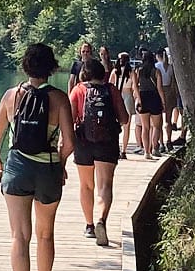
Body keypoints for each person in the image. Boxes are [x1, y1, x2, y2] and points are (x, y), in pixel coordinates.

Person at [0, 43, 75, 271]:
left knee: (19, 236)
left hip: (17, 169)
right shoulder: (59, 99)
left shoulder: (11, 95)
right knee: (45, 234)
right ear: (51, 68)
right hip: (47, 169)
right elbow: (69, 143)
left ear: (25, 66)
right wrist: (60, 164)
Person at [70, 56, 128, 247]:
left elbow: (69, 119)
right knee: (105, 186)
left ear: (84, 73)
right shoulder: (111, 90)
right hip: (107, 142)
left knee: (86, 185)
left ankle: (89, 226)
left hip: (83, 142)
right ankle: (101, 220)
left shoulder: (78, 90)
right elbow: (124, 119)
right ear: (102, 73)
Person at [132, 54, 165, 158]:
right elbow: (160, 89)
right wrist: (163, 102)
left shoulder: (138, 71)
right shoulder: (156, 71)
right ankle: (155, 148)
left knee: (145, 127)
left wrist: (139, 99)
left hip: (143, 97)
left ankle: (146, 152)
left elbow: (135, 86)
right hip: (154, 97)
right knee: (156, 126)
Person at [113, 53, 136, 158]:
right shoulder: (131, 72)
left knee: (115, 125)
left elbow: (110, 85)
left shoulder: (115, 72)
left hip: (117, 97)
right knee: (127, 126)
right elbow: (135, 87)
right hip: (128, 97)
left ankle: (116, 149)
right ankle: (124, 151)